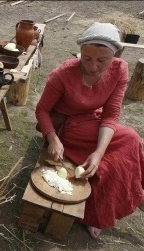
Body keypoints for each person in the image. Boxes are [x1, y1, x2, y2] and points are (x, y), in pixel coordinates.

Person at [35, 22, 144, 239]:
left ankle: (135, 192)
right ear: (80, 53)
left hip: (95, 121)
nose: (93, 66)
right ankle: (97, 213)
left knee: (131, 139)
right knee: (110, 163)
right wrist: (53, 138)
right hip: (67, 125)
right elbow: (42, 111)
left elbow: (111, 115)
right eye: (87, 58)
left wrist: (98, 152)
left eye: (102, 60)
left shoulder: (120, 69)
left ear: (115, 56)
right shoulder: (63, 74)